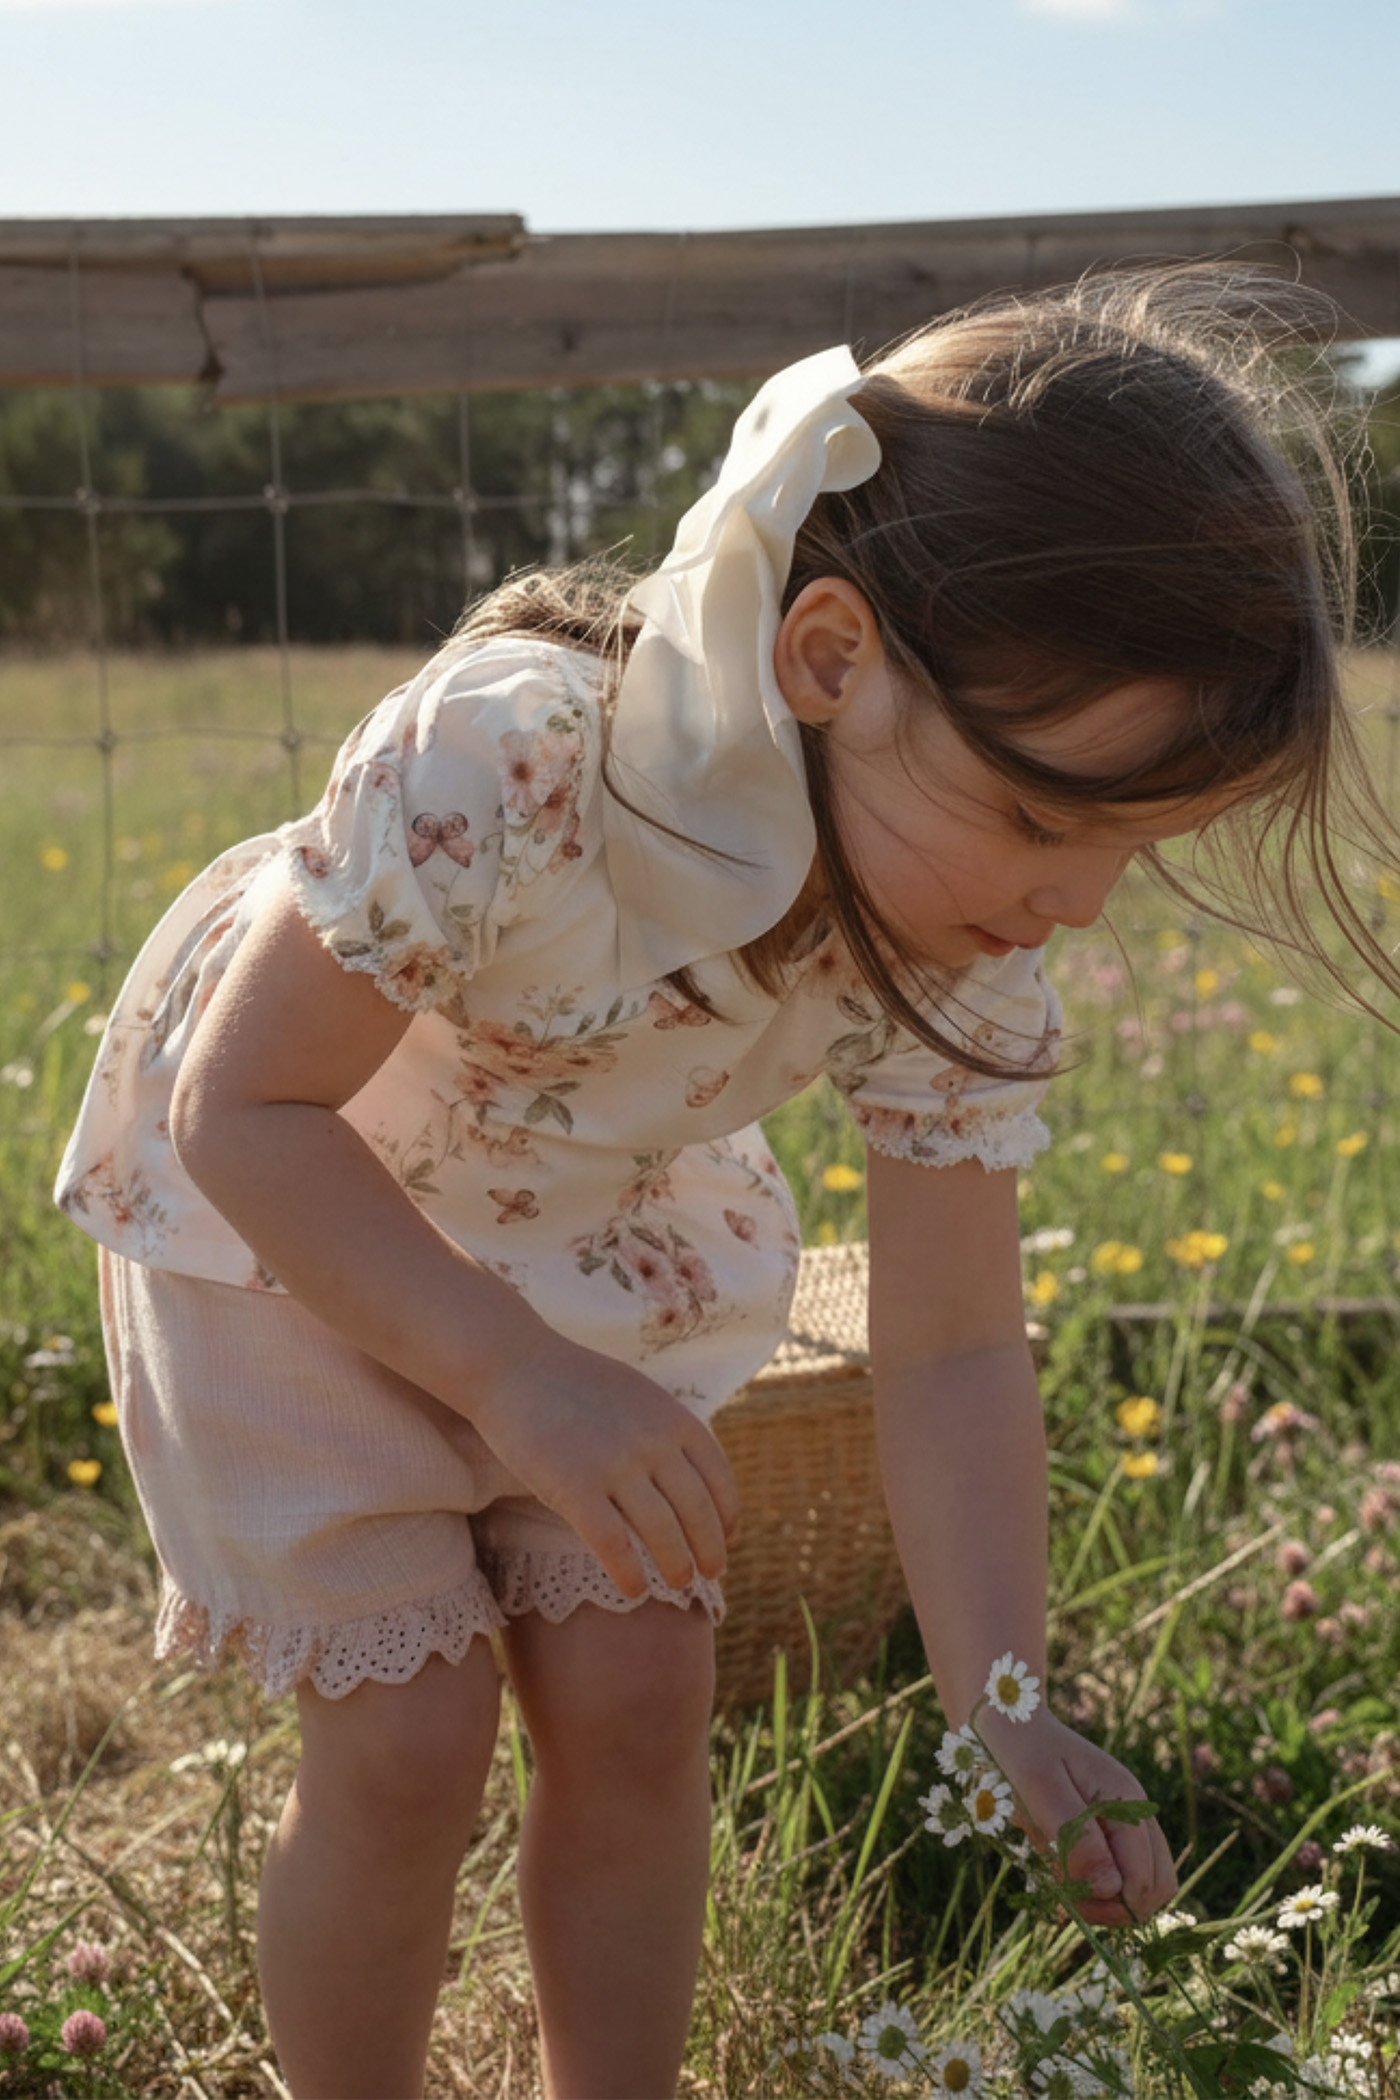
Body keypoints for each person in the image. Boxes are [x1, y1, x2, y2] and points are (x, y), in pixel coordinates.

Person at [55, 265, 1384, 2100]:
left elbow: (948, 1351)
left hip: (582, 1238)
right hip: (302, 1218)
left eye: (1130, 853)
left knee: (637, 1692)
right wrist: (517, 1376)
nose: (1076, 903)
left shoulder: (959, 950)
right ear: (830, 659)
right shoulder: (508, 767)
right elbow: (246, 1113)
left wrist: (1006, 1698)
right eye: (1046, 819)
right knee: (412, 1735)